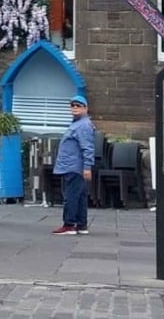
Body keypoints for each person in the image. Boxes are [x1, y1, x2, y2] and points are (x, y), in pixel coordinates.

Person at [51, 94, 94, 236]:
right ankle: (81, 225)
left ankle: (69, 224)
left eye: (78, 106)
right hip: (72, 165)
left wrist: (87, 167)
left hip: (74, 166)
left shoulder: (83, 126)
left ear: (85, 108)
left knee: (71, 196)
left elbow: (87, 148)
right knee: (80, 195)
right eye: (72, 105)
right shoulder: (77, 124)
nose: (74, 108)